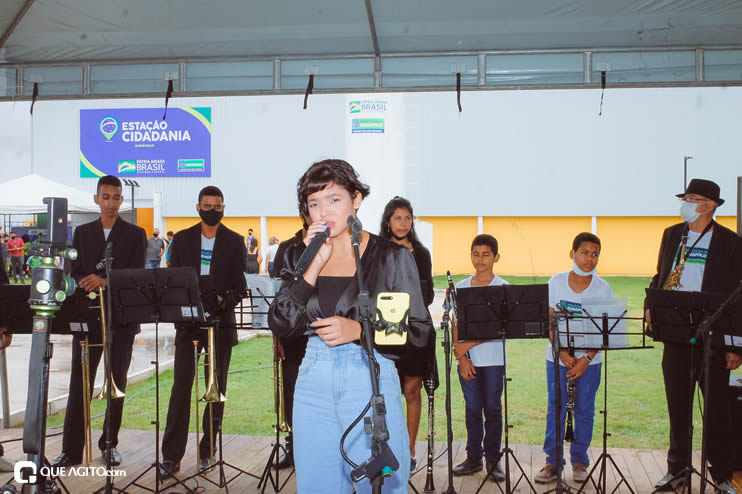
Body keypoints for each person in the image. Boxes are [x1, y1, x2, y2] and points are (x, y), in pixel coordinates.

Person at [269, 159, 432, 493]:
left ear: (356, 199)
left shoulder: (392, 257)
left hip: (370, 376)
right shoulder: (297, 254)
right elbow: (282, 321)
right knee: (317, 486)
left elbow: (419, 330)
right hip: (312, 380)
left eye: (334, 199)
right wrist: (313, 264)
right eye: (314, 203)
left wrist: (361, 332)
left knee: (384, 485)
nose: (323, 211)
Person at [649, 179, 741, 494]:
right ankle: (677, 470)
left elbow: (738, 297)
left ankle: (723, 475)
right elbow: (660, 275)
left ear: (710, 205)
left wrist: (736, 346)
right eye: (685, 198)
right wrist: (651, 305)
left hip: (714, 339)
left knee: (717, 411)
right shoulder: (671, 234)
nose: (686, 203)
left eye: (693, 198)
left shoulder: (731, 243)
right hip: (676, 335)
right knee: (677, 408)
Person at [51, 175, 147, 469]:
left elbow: (137, 274)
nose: (111, 203)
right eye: (105, 197)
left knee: (116, 384)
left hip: (122, 320)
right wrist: (87, 280)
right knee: (80, 384)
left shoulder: (136, 234)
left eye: (116, 198)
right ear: (96, 199)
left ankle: (109, 444)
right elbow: (74, 269)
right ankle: (71, 451)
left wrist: (106, 280)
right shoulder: (82, 233)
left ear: (122, 200)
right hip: (87, 319)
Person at [160, 185, 247, 477]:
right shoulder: (182, 239)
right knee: (180, 389)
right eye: (207, 206)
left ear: (223, 208)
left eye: (217, 206)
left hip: (221, 325)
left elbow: (240, 286)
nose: (212, 210)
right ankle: (171, 456)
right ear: (198, 208)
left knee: (216, 390)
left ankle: (208, 450)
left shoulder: (235, 241)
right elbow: (173, 279)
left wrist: (225, 300)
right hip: (189, 324)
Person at [534, 232, 612, 484]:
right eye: (584, 252)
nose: (590, 259)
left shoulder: (603, 288)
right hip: (557, 358)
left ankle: (580, 461)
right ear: (572, 253)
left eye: (595, 254)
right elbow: (548, 321)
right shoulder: (556, 283)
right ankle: (553, 462)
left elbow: (605, 331)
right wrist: (563, 353)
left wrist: (586, 358)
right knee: (555, 408)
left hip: (590, 363)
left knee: (584, 410)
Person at [378, 196, 437, 475]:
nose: (403, 223)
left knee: (412, 390)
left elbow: (429, 295)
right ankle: (389, 450)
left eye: (407, 218)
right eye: (397, 218)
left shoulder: (421, 253)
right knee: (388, 391)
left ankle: (410, 452)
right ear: (387, 221)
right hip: (386, 331)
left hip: (415, 330)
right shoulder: (378, 251)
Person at [451, 234, 506, 481]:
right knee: (472, 409)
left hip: (493, 361)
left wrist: (468, 345)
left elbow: (500, 327)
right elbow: (455, 324)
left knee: (492, 409)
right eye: (476, 254)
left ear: (496, 257)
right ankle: (473, 458)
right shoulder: (461, 287)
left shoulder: (503, 287)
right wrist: (462, 358)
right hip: (468, 361)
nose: (480, 259)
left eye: (486, 255)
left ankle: (493, 461)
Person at [269, 218, 308, 469]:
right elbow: (277, 295)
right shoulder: (287, 248)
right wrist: (277, 338)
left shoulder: (336, 242)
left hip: (324, 334)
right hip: (292, 334)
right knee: (291, 393)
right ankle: (293, 449)